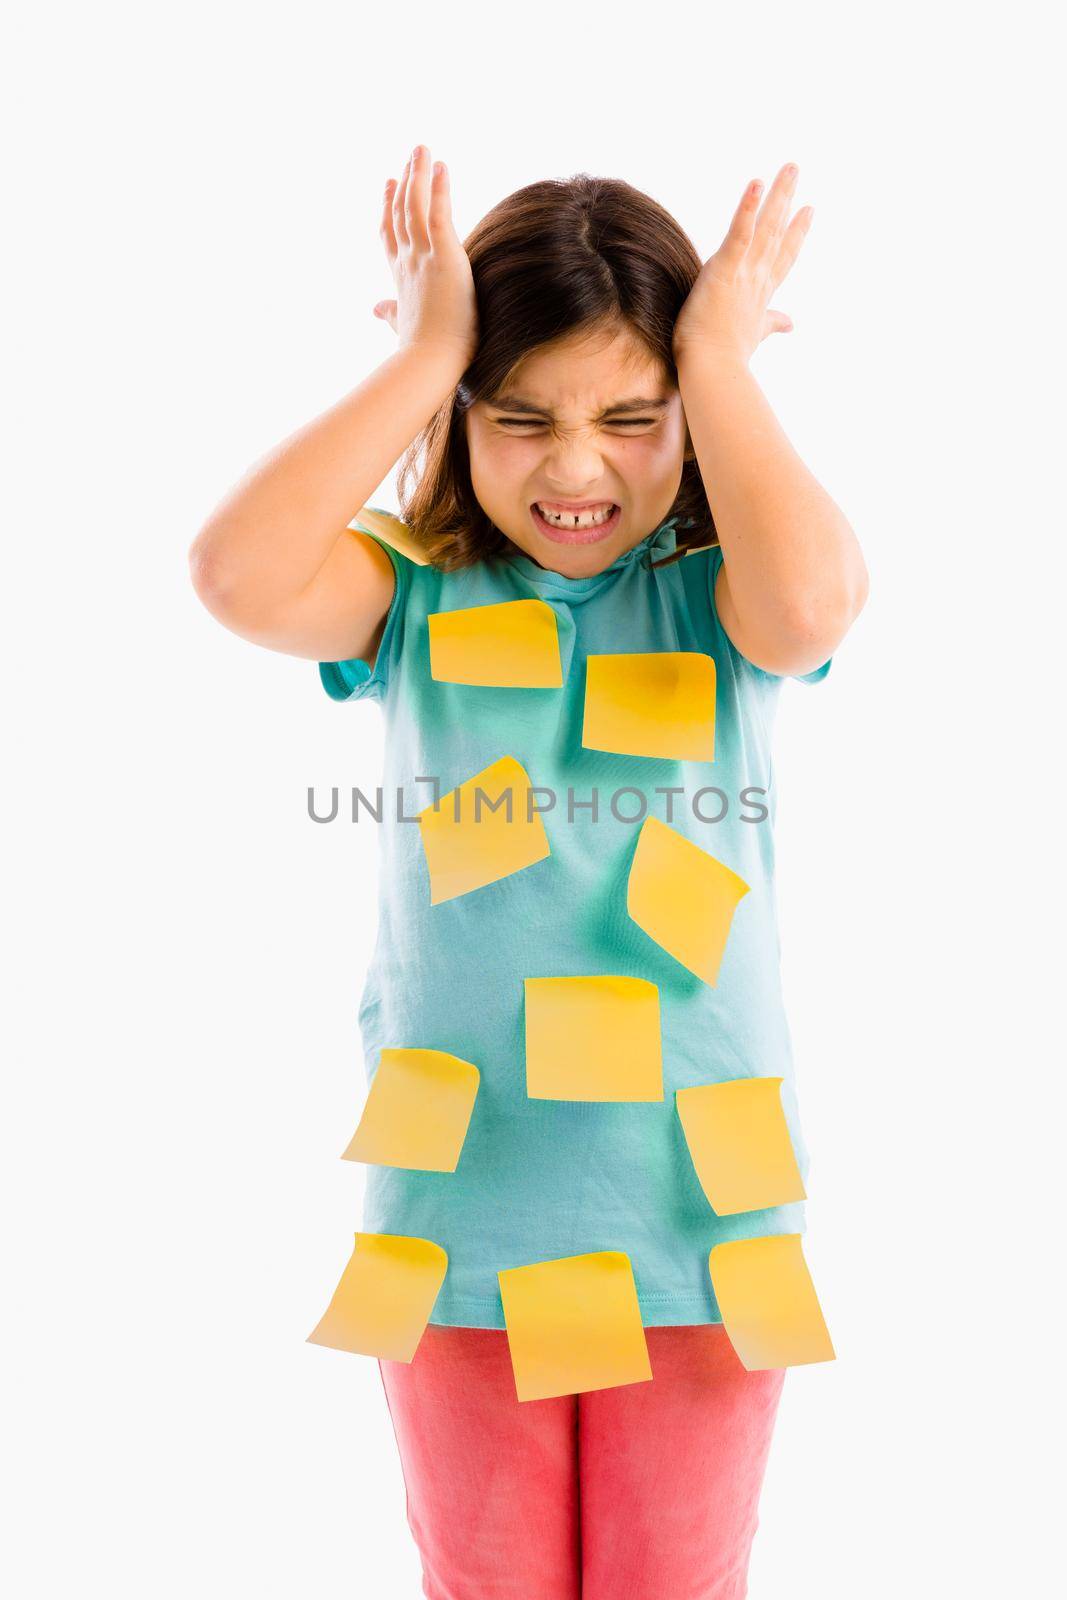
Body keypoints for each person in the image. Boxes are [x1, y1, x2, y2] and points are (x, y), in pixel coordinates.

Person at [189, 144, 868, 1599]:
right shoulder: (410, 598)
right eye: (518, 416)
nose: (577, 466)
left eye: (634, 417)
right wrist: (427, 354)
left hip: (700, 1232)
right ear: (461, 415)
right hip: (461, 1230)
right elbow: (236, 574)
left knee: (674, 1584)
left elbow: (811, 606)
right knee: (481, 1582)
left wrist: (719, 358)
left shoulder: (718, 601)